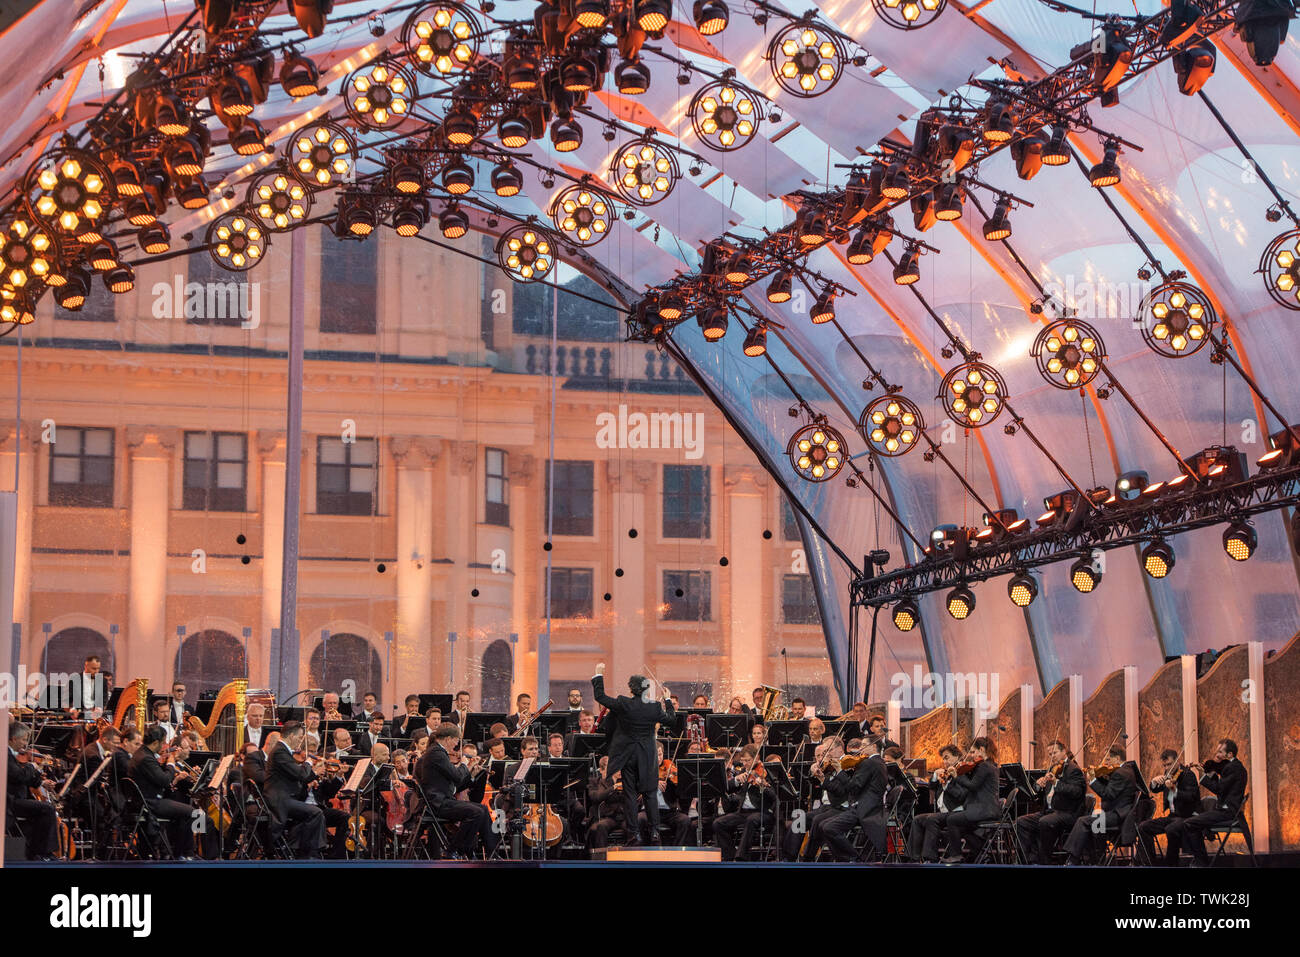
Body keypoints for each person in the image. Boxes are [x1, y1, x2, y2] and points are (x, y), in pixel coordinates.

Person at [591, 663, 674, 846]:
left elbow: (600, 696)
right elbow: (671, 720)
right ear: (646, 689)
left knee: (630, 795)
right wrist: (667, 700)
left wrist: (598, 675)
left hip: (628, 755)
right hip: (647, 755)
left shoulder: (623, 703)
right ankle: (654, 833)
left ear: (631, 688)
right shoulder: (654, 707)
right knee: (650, 793)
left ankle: (634, 835)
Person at [418, 723, 497, 859]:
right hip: (438, 804)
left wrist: (472, 774)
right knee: (476, 812)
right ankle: (454, 849)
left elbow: (457, 783)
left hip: (444, 800)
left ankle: (491, 853)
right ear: (448, 738)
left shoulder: (438, 752)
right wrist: (465, 764)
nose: (456, 744)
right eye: (456, 740)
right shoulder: (436, 753)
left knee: (482, 809)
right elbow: (456, 776)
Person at [128, 725, 196, 859]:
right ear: (155, 743)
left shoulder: (142, 754)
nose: (165, 745)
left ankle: (179, 852)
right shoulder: (146, 758)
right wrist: (170, 763)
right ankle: (182, 854)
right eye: (163, 742)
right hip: (150, 802)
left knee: (185, 813)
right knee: (192, 812)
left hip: (147, 799)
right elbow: (164, 780)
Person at [1064, 746, 1138, 865]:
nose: (1105, 763)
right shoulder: (1125, 770)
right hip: (1115, 813)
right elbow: (1111, 787)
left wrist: (1093, 780)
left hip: (1118, 815)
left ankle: (1072, 858)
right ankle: (1094, 859)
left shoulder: (1121, 773)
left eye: (1108, 759)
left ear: (1117, 758)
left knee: (1083, 821)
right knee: (1092, 823)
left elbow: (1108, 794)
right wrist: (1100, 777)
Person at [1015, 740, 1085, 865]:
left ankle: (1044, 861)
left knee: (1045, 821)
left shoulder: (1074, 770)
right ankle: (1025, 861)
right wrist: (1038, 786)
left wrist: (1056, 783)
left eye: (1055, 753)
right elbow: (1047, 796)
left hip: (1067, 812)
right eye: (1050, 754)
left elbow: (1076, 792)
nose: (1052, 756)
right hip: (1049, 812)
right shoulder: (1053, 769)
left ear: (1064, 751)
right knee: (1021, 822)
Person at [824, 739, 895, 861]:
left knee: (829, 827)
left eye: (863, 745)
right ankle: (847, 859)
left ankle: (853, 859)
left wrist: (840, 771)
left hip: (863, 809)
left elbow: (853, 787)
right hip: (868, 807)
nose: (860, 748)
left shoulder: (869, 763)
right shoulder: (878, 762)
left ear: (873, 747)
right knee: (824, 826)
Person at [263, 722, 325, 859]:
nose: (300, 740)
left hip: (286, 798)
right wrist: (308, 763)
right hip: (279, 800)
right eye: (300, 736)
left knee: (311, 812)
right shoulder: (280, 751)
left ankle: (302, 851)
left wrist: (312, 773)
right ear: (291, 736)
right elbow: (301, 774)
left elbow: (298, 776)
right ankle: (309, 854)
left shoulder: (283, 751)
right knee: (316, 813)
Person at [1182, 738, 1247, 867]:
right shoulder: (1232, 766)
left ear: (1230, 754)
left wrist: (1203, 776)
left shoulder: (1234, 768)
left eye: (1221, 752)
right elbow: (1222, 790)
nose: (1217, 755)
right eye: (1217, 751)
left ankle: (1201, 862)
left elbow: (1218, 789)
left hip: (1228, 812)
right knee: (1194, 820)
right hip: (1224, 810)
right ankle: (1200, 860)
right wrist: (1208, 773)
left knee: (1189, 823)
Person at [941, 738, 1001, 863]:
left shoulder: (985, 766)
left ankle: (956, 855)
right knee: (962, 828)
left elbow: (973, 785)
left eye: (973, 752)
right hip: (985, 809)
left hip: (984, 809)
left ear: (982, 750)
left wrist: (957, 776)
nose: (971, 756)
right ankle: (981, 854)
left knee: (952, 819)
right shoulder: (989, 765)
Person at [1138, 748, 1201, 866]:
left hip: (1186, 816)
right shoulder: (1168, 775)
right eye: (1165, 765)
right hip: (1172, 816)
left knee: (1171, 828)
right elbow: (1155, 789)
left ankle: (1171, 864)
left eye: (1169, 764)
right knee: (1143, 827)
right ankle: (1149, 862)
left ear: (1177, 761)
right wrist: (1154, 781)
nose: (1167, 768)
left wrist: (1174, 790)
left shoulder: (1188, 775)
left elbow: (1191, 797)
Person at [7, 723, 59, 860]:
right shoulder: (5, 754)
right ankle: (45, 853)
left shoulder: (12, 755)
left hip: (16, 799)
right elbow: (18, 776)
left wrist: (42, 783)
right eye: (23, 739)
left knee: (44, 810)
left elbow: (22, 777)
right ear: (13, 739)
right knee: (47, 809)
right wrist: (31, 765)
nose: (25, 743)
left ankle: (34, 852)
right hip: (10, 802)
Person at [907, 744, 966, 863]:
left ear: (957, 756)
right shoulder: (945, 773)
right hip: (943, 813)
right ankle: (913, 857)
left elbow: (961, 795)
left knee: (932, 819)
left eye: (947, 757)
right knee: (917, 819)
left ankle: (930, 858)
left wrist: (946, 785)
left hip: (956, 812)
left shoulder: (961, 773)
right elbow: (932, 786)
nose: (944, 761)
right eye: (943, 758)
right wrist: (934, 775)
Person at [715, 746, 774, 861]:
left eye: (748, 760)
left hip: (763, 811)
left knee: (751, 820)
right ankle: (730, 856)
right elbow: (726, 788)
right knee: (718, 823)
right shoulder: (743, 771)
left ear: (757, 758)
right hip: (743, 812)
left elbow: (774, 795)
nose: (745, 764)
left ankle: (742, 857)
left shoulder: (766, 771)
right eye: (743, 761)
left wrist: (763, 785)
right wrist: (736, 780)